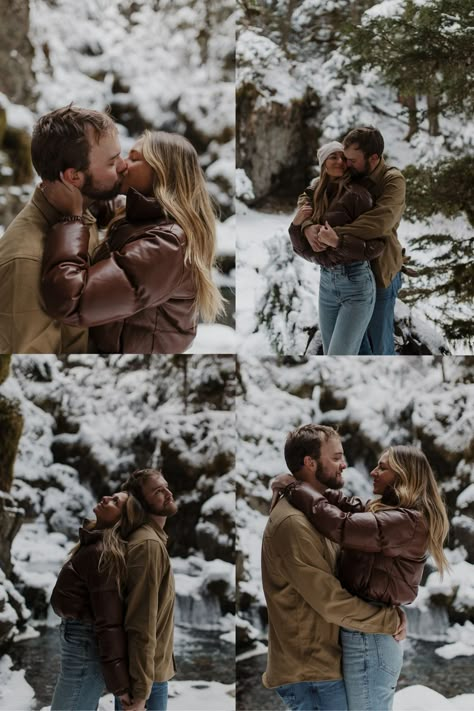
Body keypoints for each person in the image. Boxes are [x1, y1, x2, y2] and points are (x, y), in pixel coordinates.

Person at [272, 443, 450, 711]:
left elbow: (342, 525)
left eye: (383, 467)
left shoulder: (407, 522)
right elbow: (352, 507)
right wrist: (314, 490)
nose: (373, 472)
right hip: (366, 631)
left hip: (371, 639)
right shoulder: (391, 513)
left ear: (404, 474)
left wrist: (296, 489)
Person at [261, 424, 406, 711]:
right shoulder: (293, 523)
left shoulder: (315, 512)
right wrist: (388, 620)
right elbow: (331, 602)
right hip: (310, 674)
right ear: (310, 463)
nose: (345, 464)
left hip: (321, 668)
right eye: (336, 457)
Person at [40, 130, 224, 354]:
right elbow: (106, 204)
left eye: (134, 158)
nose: (122, 164)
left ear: (162, 172)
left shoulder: (166, 246)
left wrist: (72, 218)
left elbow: (71, 301)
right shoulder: (142, 217)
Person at [0, 104, 127, 354]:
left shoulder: (82, 209)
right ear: (74, 178)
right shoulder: (26, 261)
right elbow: (33, 359)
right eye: (112, 162)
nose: (123, 166)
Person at [304, 127, 406, 355]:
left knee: (379, 348)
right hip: (344, 272)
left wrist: (335, 236)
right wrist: (308, 225)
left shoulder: (392, 180)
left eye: (351, 160)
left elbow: (378, 224)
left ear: (373, 158)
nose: (345, 164)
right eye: (343, 157)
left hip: (380, 273)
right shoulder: (351, 174)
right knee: (353, 348)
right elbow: (312, 189)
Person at [289, 141, 385, 355]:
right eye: (333, 157)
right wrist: (299, 226)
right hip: (327, 285)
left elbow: (378, 245)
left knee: (338, 355)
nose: (340, 161)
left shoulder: (359, 195)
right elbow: (304, 251)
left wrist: (338, 242)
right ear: (323, 163)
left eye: (343, 157)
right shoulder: (316, 197)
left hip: (356, 284)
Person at [50, 490, 133, 710]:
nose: (106, 498)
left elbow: (108, 621)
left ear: (123, 519)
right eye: (111, 496)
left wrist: (120, 687)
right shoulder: (95, 543)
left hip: (85, 642)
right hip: (79, 639)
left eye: (116, 502)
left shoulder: (103, 553)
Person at [116, 468, 178, 711]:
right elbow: (140, 622)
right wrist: (141, 692)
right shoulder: (148, 546)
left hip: (149, 673)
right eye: (157, 491)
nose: (167, 493)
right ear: (142, 503)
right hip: (146, 678)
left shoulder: (151, 540)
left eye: (165, 486)